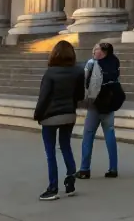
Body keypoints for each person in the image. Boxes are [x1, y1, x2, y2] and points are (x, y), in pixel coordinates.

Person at [33, 39, 84, 201]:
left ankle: (53, 187)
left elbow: (44, 98)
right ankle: (70, 183)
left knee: (50, 152)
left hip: (50, 116)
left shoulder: (50, 73)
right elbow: (80, 95)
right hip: (69, 114)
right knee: (66, 147)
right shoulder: (78, 71)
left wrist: (37, 115)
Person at [78, 41, 122, 179]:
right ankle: (113, 168)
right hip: (110, 102)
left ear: (103, 52)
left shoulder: (92, 63)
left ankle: (84, 169)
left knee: (88, 134)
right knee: (110, 134)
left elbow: (86, 82)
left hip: (96, 104)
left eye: (96, 49)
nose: (93, 51)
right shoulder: (114, 62)